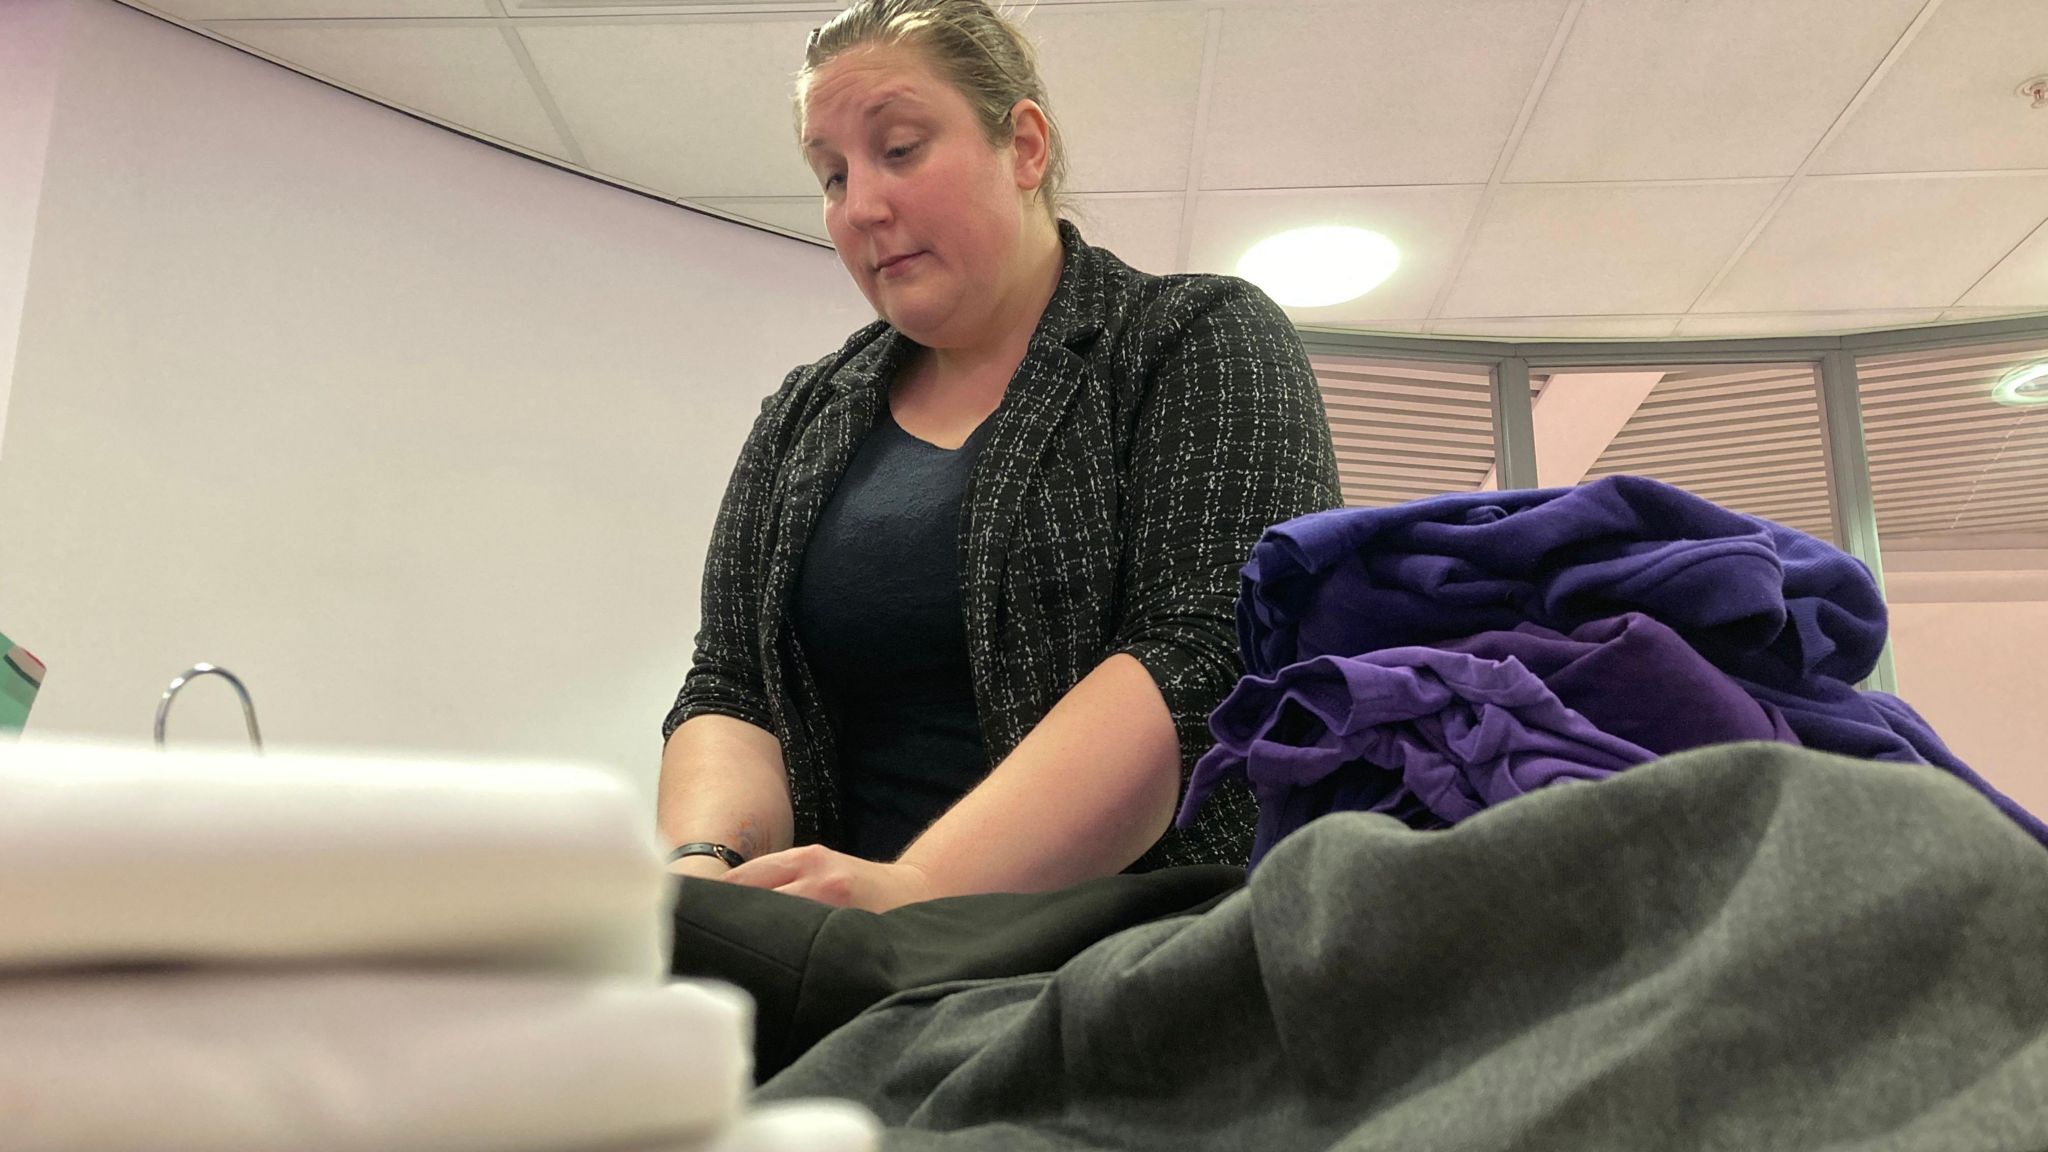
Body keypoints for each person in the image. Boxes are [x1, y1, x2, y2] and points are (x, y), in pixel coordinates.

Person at [657, 0, 1339, 913]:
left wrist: (917, 893)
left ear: (1023, 146)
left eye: (898, 149)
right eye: (831, 175)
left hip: (1137, 961)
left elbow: (1209, 652)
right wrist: (704, 878)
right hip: (843, 967)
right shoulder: (803, 415)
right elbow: (732, 680)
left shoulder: (1191, 337)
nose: (861, 206)